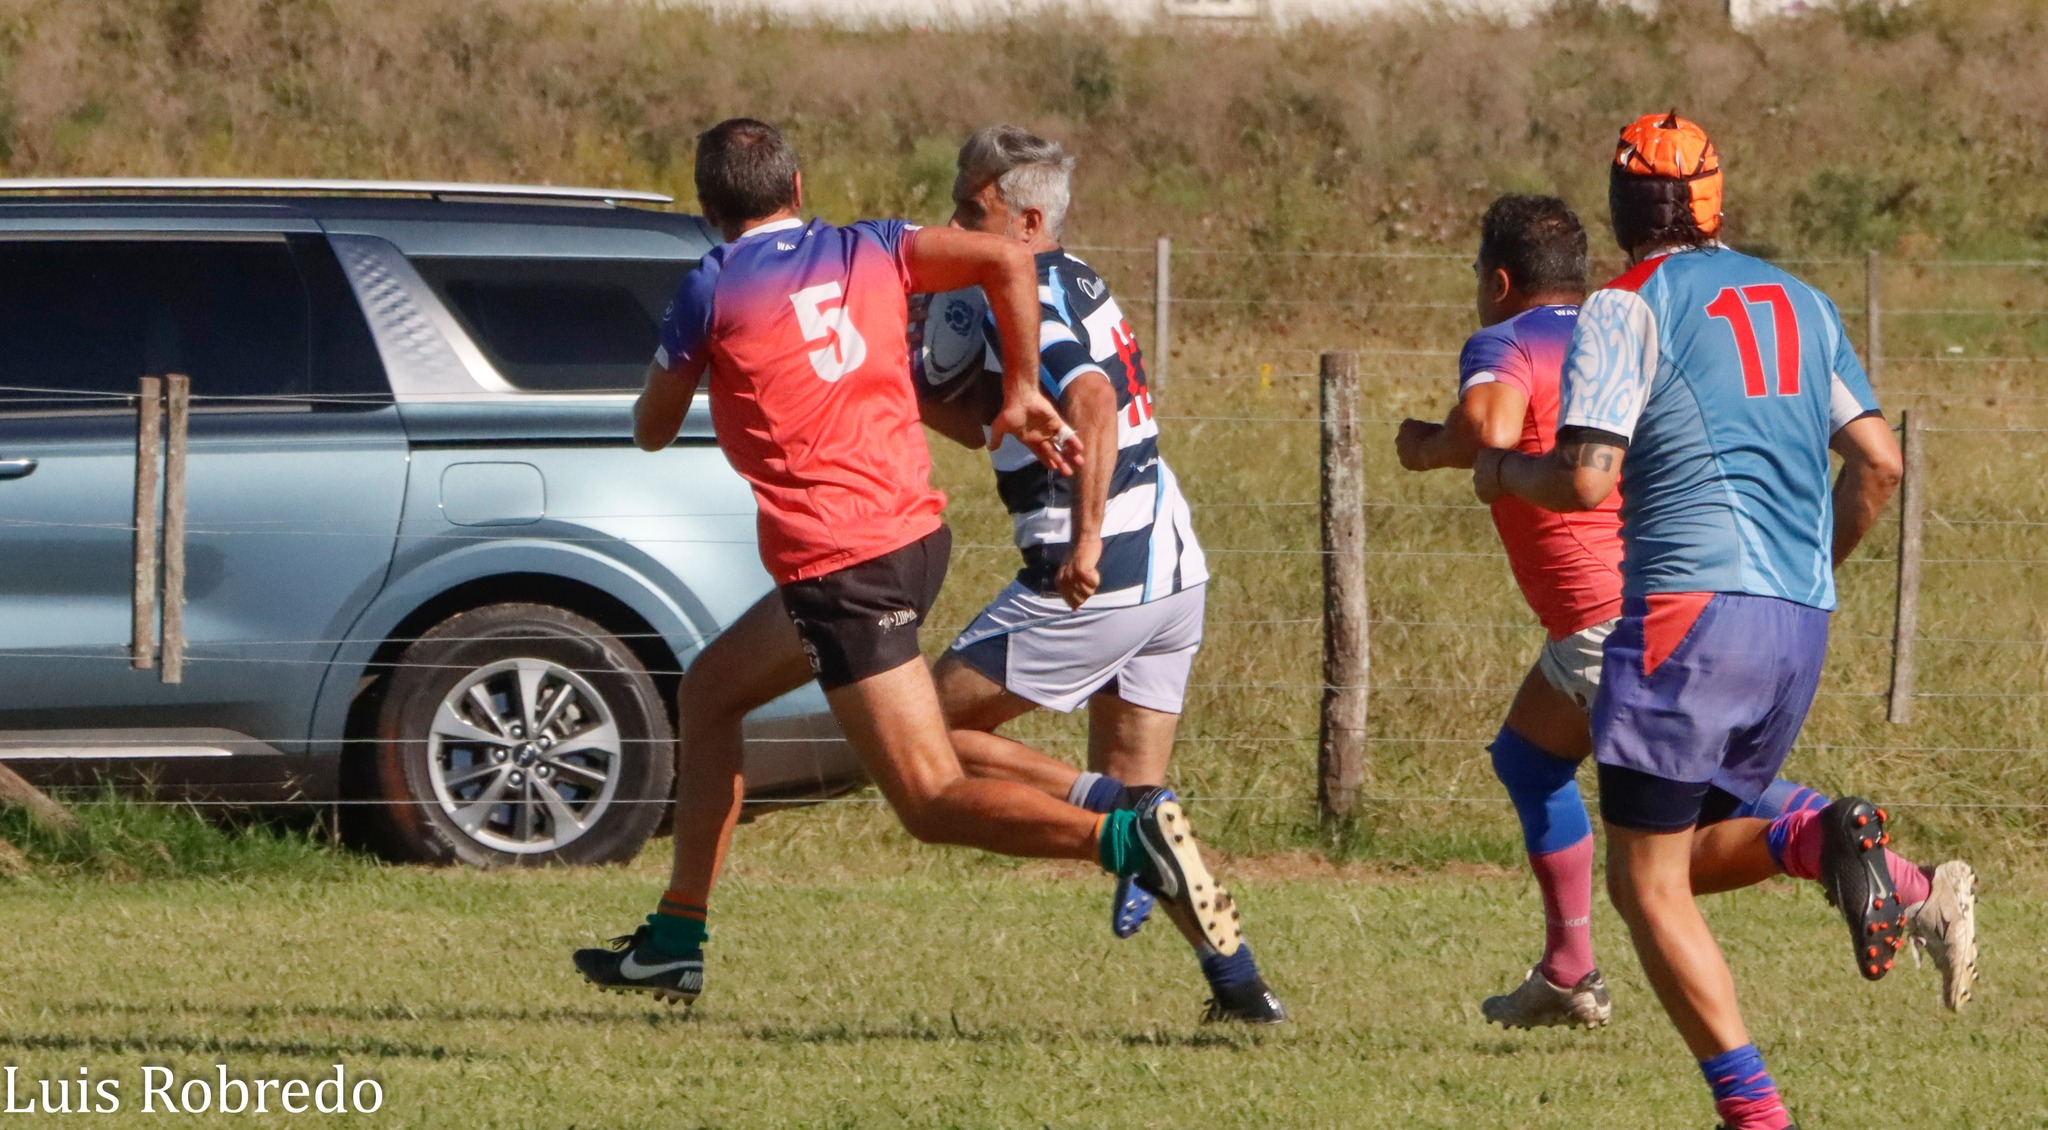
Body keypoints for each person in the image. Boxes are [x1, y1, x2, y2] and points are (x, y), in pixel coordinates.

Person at [574, 119, 1246, 1006]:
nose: (960, 220)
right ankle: (675, 936)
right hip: (921, 543)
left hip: (852, 566)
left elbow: (654, 430)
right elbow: (1000, 264)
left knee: (928, 798)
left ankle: (1121, 835)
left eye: (973, 206)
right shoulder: (872, 245)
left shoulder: (714, 283)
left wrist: (686, 371)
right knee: (712, 691)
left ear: (708, 209)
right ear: (798, 188)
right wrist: (1002, 393)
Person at [1472, 113, 1977, 1130]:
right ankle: (1824, 838)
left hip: (1681, 614)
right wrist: (1800, 570)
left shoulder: (1625, 305)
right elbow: (1878, 463)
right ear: (1713, 204)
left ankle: (1753, 1113)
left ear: (1620, 211)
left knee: (1645, 885)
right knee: (1683, 847)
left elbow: (1584, 478)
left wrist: (1500, 472)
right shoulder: (1803, 301)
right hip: (1796, 624)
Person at [915, 125, 1285, 1024]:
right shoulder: (1074, 273)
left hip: (1098, 574)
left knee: (920, 732)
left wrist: (1082, 542)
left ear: (1026, 222)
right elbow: (991, 419)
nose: (955, 224)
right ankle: (1241, 989)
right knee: (1152, 826)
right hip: (1172, 570)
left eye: (972, 210)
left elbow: (1092, 399)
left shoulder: (1026, 290)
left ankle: (1117, 812)